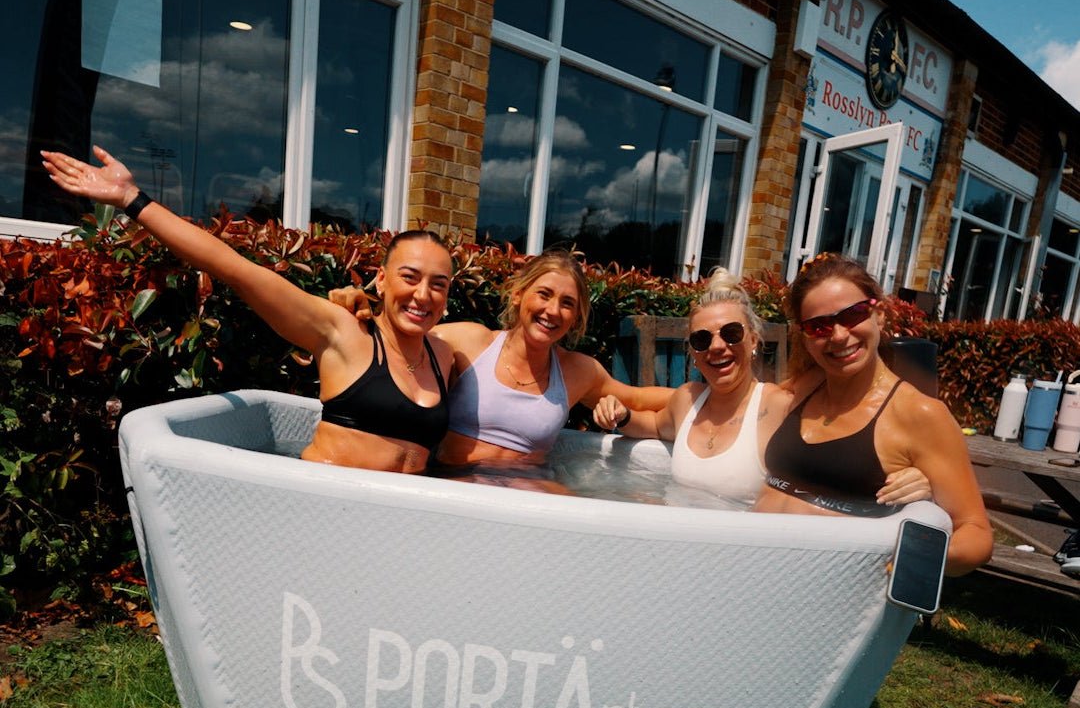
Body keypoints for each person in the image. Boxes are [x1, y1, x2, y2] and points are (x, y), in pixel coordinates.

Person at [41, 145, 454, 475]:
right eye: (410, 277)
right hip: (322, 504)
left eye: (439, 284)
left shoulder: (448, 352)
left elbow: (514, 346)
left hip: (395, 521)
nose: (423, 295)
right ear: (381, 280)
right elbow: (234, 268)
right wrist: (132, 198)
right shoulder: (344, 333)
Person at [592, 269, 931, 511]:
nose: (717, 346)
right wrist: (620, 416)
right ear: (693, 353)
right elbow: (653, 426)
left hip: (747, 564)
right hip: (678, 550)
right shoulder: (687, 400)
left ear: (753, 340)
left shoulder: (779, 405)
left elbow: (846, 436)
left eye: (732, 333)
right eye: (701, 339)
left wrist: (914, 473)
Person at [333, 248, 672, 480]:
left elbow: (639, 400)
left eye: (567, 303)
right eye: (544, 294)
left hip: (531, 491)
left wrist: (712, 395)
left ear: (576, 317)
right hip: (456, 484)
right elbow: (395, 335)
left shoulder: (577, 371)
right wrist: (358, 302)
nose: (553, 311)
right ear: (518, 294)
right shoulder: (469, 342)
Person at [755, 253, 993, 577]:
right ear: (804, 336)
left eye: (852, 315)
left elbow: (976, 532)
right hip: (752, 565)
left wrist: (918, 559)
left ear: (878, 315)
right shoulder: (804, 387)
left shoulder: (919, 414)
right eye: (819, 326)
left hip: (832, 586)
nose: (839, 335)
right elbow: (733, 401)